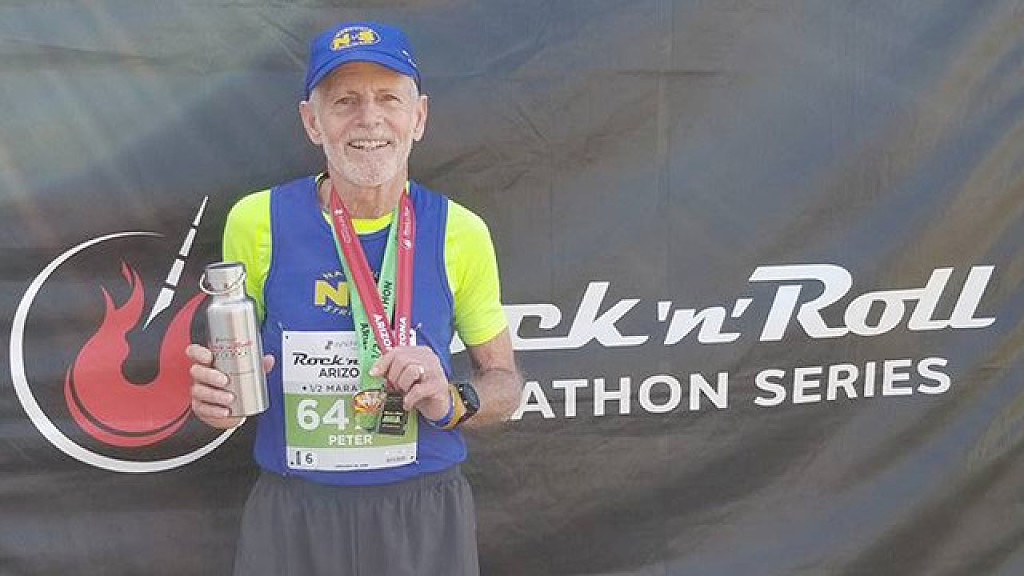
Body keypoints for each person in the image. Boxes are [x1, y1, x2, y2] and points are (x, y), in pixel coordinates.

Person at [186, 20, 522, 576]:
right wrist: (220, 404)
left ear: (418, 117)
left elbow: (505, 384)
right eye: (344, 101)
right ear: (311, 121)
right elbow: (233, 381)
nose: (369, 119)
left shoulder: (460, 231)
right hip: (295, 512)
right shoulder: (256, 220)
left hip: (420, 512)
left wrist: (451, 399)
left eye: (389, 98)